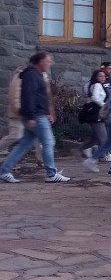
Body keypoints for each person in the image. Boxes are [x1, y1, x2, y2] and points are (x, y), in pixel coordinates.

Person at [0, 52, 69, 183]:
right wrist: (31, 116)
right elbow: (28, 97)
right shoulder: (31, 75)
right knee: (49, 142)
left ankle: (5, 170)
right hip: (36, 115)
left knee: (24, 144)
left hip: (36, 114)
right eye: (48, 61)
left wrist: (48, 112)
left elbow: (41, 97)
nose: (50, 64)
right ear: (40, 62)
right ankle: (51, 173)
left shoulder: (36, 75)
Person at [0, 65, 44, 166]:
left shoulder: (34, 77)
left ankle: (42, 160)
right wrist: (20, 110)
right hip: (19, 114)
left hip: (31, 112)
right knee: (16, 135)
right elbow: (14, 96)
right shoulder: (19, 77)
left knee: (39, 136)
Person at [79, 69, 108, 159]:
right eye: (100, 76)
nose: (103, 78)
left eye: (104, 76)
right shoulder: (97, 85)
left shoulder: (92, 85)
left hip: (95, 112)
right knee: (103, 137)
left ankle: (83, 148)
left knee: (94, 138)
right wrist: (104, 105)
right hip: (96, 113)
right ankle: (101, 155)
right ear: (96, 77)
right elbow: (95, 98)